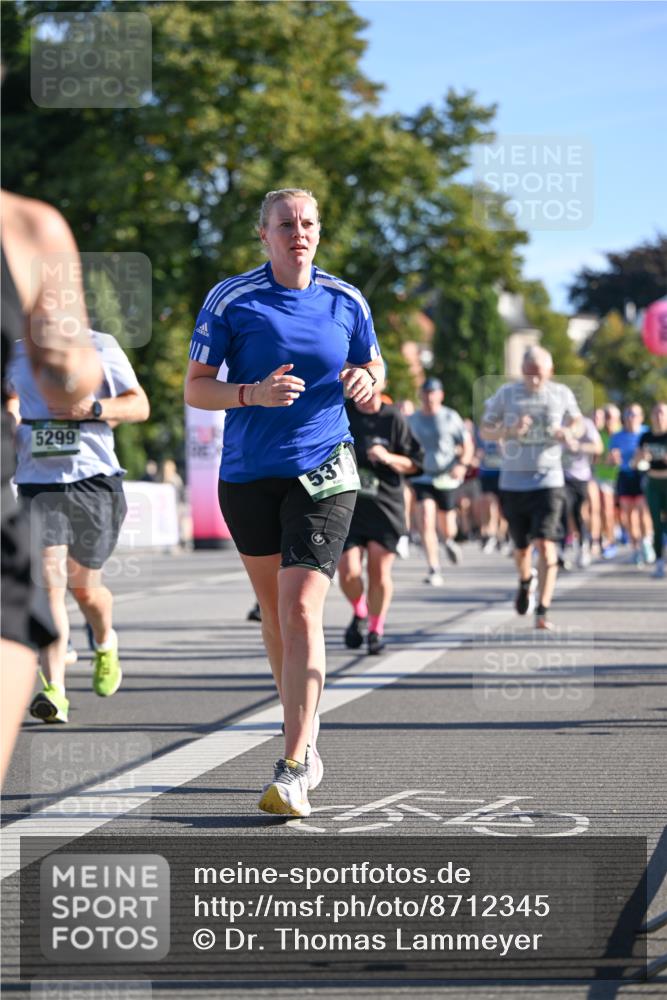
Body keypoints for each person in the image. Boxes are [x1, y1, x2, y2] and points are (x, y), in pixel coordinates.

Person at [184, 188, 384, 818]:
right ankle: (308, 729)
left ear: (318, 232)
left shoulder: (346, 299)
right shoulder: (232, 298)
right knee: (274, 614)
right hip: (248, 475)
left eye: (308, 223)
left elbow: (374, 374)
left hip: (325, 469)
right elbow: (196, 389)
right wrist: (251, 394)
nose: (298, 231)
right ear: (263, 234)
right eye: (285, 223)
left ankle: (294, 762)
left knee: (300, 609)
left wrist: (368, 381)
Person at [1, 189, 102, 784]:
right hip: (33, 487)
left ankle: (69, 674)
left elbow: (72, 379)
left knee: (74, 583)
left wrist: (66, 369)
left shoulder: (29, 230)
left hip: (43, 491)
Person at [7, 329, 149, 723]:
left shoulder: (100, 345)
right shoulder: (15, 351)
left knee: (84, 588)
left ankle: (105, 642)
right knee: (48, 580)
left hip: (94, 482)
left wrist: (95, 409)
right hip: (38, 482)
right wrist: (13, 414)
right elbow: (10, 396)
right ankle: (55, 690)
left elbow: (138, 405)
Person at [481, 346, 582, 630]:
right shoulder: (506, 394)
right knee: (522, 548)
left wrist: (568, 432)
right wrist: (509, 431)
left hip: (549, 480)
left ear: (550, 371)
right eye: (528, 374)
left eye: (539, 374)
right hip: (513, 482)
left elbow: (577, 423)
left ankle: (543, 609)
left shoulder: (561, 394)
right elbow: (485, 430)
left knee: (547, 547)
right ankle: (526, 581)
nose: (534, 380)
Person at [338, 382, 423, 654]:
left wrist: (388, 458)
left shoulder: (393, 418)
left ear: (381, 386)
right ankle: (360, 611)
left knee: (378, 571)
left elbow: (415, 464)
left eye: (370, 387)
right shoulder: (342, 411)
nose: (363, 395)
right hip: (348, 505)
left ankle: (375, 628)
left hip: (384, 506)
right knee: (348, 571)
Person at [408, 377, 473, 584]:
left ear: (440, 395)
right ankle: (433, 568)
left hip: (446, 477)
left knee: (447, 526)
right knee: (426, 518)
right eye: (426, 393)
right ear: (421, 395)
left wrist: (462, 464)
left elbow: (467, 444)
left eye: (433, 393)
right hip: (422, 475)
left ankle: (449, 540)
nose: (429, 397)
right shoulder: (413, 419)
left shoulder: (450, 417)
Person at [608, 404, 654, 565]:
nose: (631, 418)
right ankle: (635, 547)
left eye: (634, 414)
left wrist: (645, 457)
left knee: (643, 510)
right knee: (628, 515)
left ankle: (647, 541)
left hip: (642, 475)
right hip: (625, 476)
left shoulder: (647, 432)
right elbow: (610, 459)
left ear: (641, 417)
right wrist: (613, 459)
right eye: (628, 414)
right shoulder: (617, 436)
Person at [562, 414, 603, 568]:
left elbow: (598, 447)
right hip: (561, 476)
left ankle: (583, 545)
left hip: (581, 476)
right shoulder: (557, 422)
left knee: (579, 512)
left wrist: (578, 446)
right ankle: (562, 548)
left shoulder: (586, 424)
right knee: (563, 509)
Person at [634, 402, 667, 579]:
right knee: (656, 523)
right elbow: (634, 463)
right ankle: (659, 562)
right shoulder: (645, 437)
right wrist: (640, 458)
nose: (659, 416)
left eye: (662, 413)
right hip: (653, 483)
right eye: (656, 413)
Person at [594, 404, 622, 557]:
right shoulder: (599, 434)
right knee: (606, 510)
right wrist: (606, 460)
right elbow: (595, 459)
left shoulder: (623, 433)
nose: (609, 420)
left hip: (623, 476)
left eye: (611, 417)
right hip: (604, 477)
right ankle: (609, 541)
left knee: (625, 511)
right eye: (606, 417)